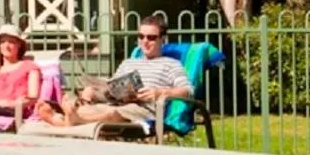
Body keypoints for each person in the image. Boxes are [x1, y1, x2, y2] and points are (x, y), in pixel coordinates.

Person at [36, 14, 193, 130]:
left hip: (142, 110)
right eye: (141, 36)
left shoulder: (171, 64)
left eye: (151, 37)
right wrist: (93, 91)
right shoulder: (128, 62)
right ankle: (73, 117)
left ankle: (66, 120)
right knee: (87, 100)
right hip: (114, 103)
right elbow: (112, 88)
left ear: (162, 39)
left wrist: (160, 92)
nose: (145, 41)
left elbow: (187, 91)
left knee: (112, 113)